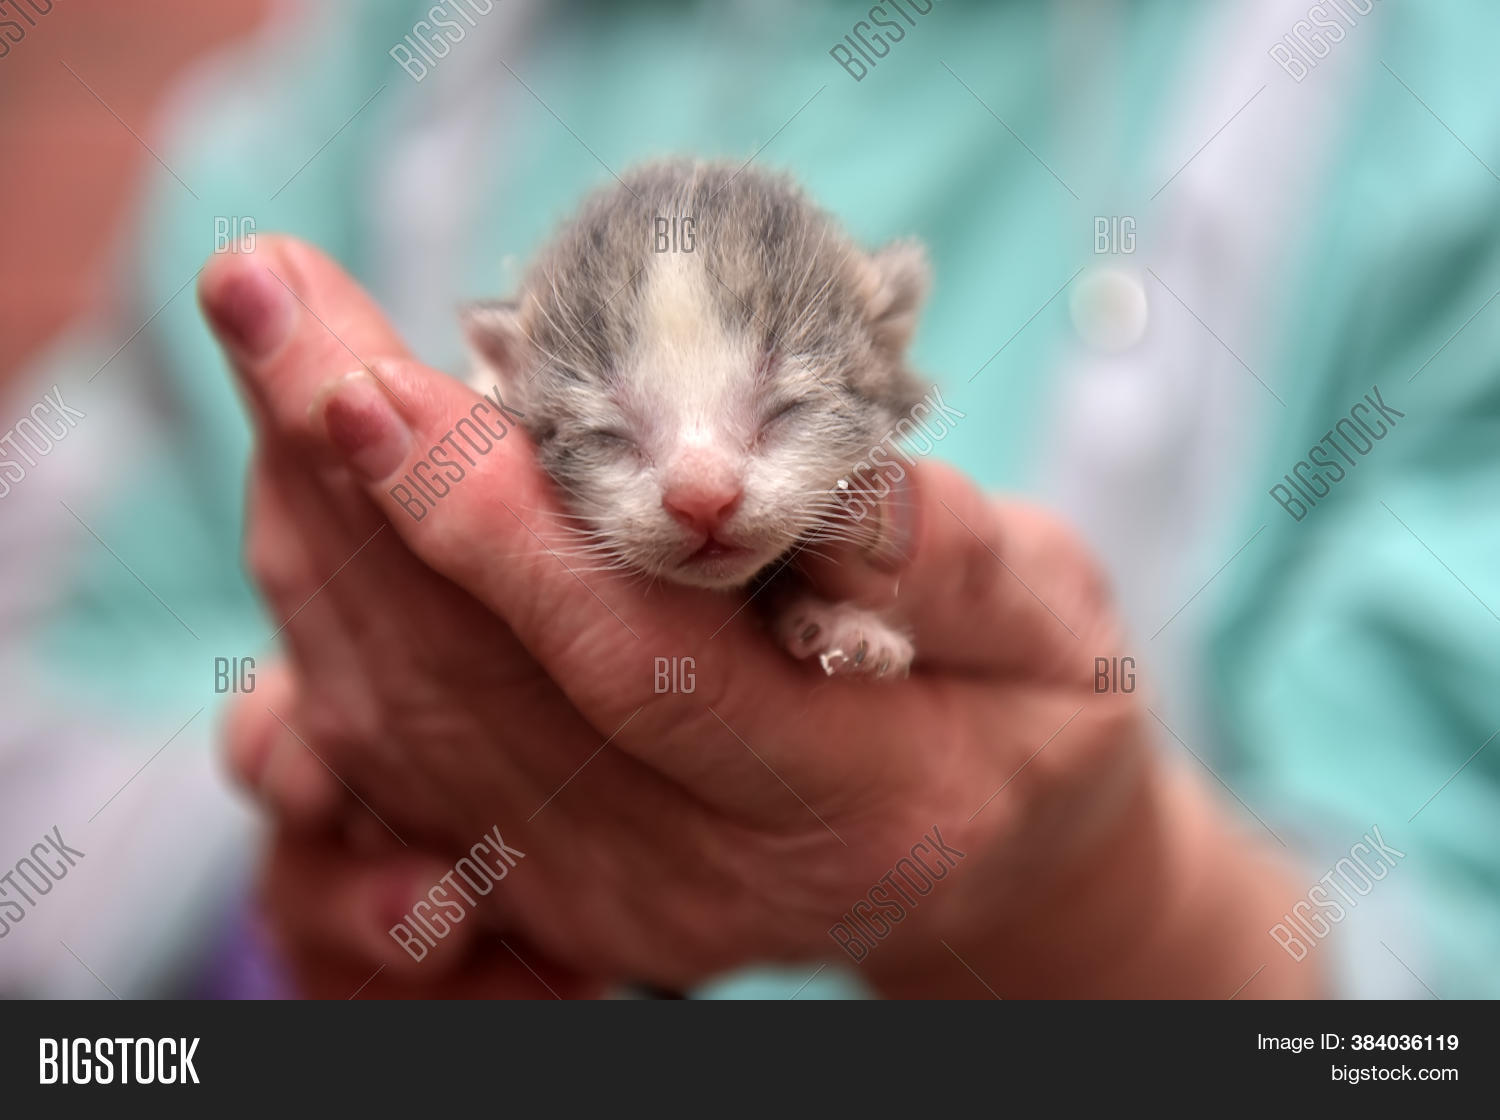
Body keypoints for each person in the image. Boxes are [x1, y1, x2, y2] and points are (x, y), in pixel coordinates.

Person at [3, 0, 1496, 997]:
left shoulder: (1426, 89)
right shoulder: (386, 57)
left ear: (887, 339)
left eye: (778, 414)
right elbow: (41, 746)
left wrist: (1116, 905)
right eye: (613, 428)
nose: (709, 488)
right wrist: (307, 875)